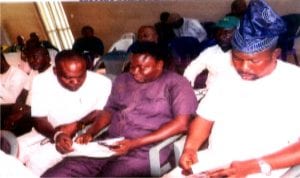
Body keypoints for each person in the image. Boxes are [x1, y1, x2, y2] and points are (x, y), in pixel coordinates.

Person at [165, 0, 300, 177]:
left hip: (266, 168)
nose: (243, 67)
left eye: (253, 61)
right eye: (237, 58)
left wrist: (253, 166)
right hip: (216, 161)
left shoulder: (294, 81)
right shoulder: (226, 77)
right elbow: (205, 119)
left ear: (275, 55)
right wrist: (190, 148)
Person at [42, 41, 198, 177]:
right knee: (58, 173)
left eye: (143, 68)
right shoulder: (123, 80)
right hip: (108, 144)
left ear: (160, 65)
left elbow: (182, 123)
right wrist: (91, 133)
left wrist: (134, 143)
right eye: (133, 66)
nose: (135, 72)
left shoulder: (177, 84)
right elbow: (109, 110)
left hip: (146, 150)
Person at [17, 50, 112, 176]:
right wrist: (56, 135)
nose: (75, 82)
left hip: (80, 136)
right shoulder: (41, 81)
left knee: (36, 162)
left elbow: (102, 112)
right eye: (68, 78)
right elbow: (39, 118)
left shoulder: (102, 83)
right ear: (55, 71)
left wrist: (78, 124)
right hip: (47, 131)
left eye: (81, 76)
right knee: (11, 150)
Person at [3, 46, 52, 136]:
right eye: (29, 58)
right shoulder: (34, 71)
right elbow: (23, 93)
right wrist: (16, 110)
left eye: (35, 57)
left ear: (47, 57)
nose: (32, 61)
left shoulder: (54, 73)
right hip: (26, 107)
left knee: (14, 124)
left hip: (40, 111)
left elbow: (45, 104)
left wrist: (20, 113)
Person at [183, 15, 240, 89]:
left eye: (227, 32)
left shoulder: (246, 56)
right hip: (210, 94)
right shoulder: (210, 52)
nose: (221, 36)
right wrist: (186, 84)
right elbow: (193, 68)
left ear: (239, 33)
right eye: (219, 32)